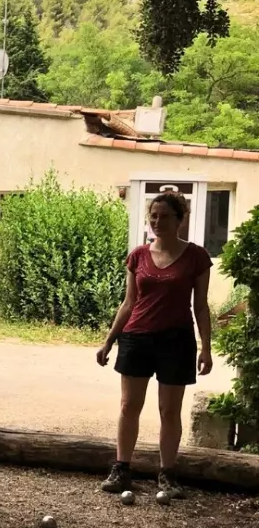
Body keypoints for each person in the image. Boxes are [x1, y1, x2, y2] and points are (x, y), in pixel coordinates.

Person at [96, 192, 213, 498]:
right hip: (137, 338)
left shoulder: (197, 257)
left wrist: (206, 348)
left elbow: (201, 306)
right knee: (128, 406)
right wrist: (109, 341)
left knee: (169, 411)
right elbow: (128, 303)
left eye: (165, 216)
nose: (157, 222)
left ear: (180, 219)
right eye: (153, 216)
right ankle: (122, 469)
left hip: (177, 341)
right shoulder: (137, 256)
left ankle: (167, 474)